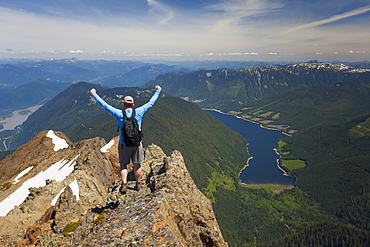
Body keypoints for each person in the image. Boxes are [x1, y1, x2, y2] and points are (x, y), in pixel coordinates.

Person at [90, 86, 162, 194]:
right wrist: (158, 91)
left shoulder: (119, 114)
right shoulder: (139, 112)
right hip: (137, 143)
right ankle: (138, 184)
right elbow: (150, 103)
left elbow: (105, 106)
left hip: (124, 144)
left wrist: (94, 94)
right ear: (133, 105)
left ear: (123, 105)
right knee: (137, 164)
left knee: (123, 165)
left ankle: (124, 185)